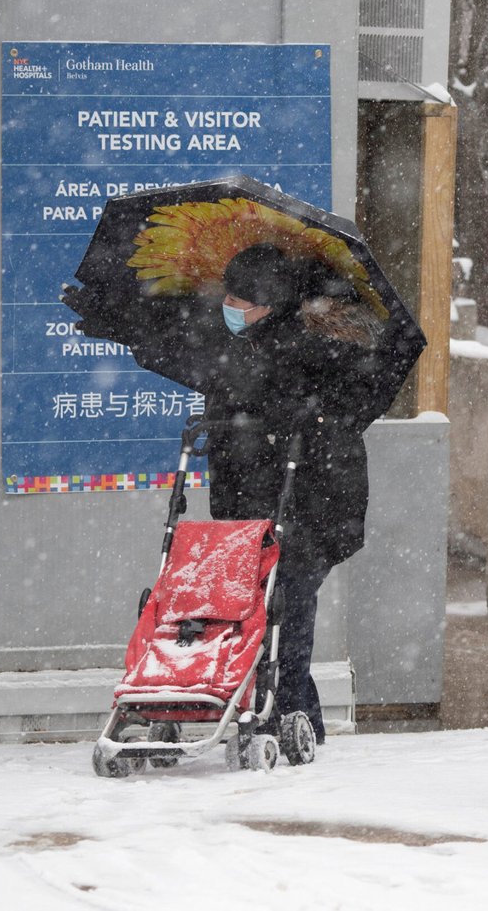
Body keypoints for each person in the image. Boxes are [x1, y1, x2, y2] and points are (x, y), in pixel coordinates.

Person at [67, 243, 419, 745]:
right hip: (252, 503)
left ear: (270, 304)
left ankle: (291, 718)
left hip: (313, 506)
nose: (228, 307)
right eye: (227, 295)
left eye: (240, 299)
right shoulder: (250, 340)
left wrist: (136, 332)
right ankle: (283, 715)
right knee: (259, 613)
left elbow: (235, 370)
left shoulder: (315, 348)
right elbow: (194, 355)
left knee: (284, 610)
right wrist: (128, 325)